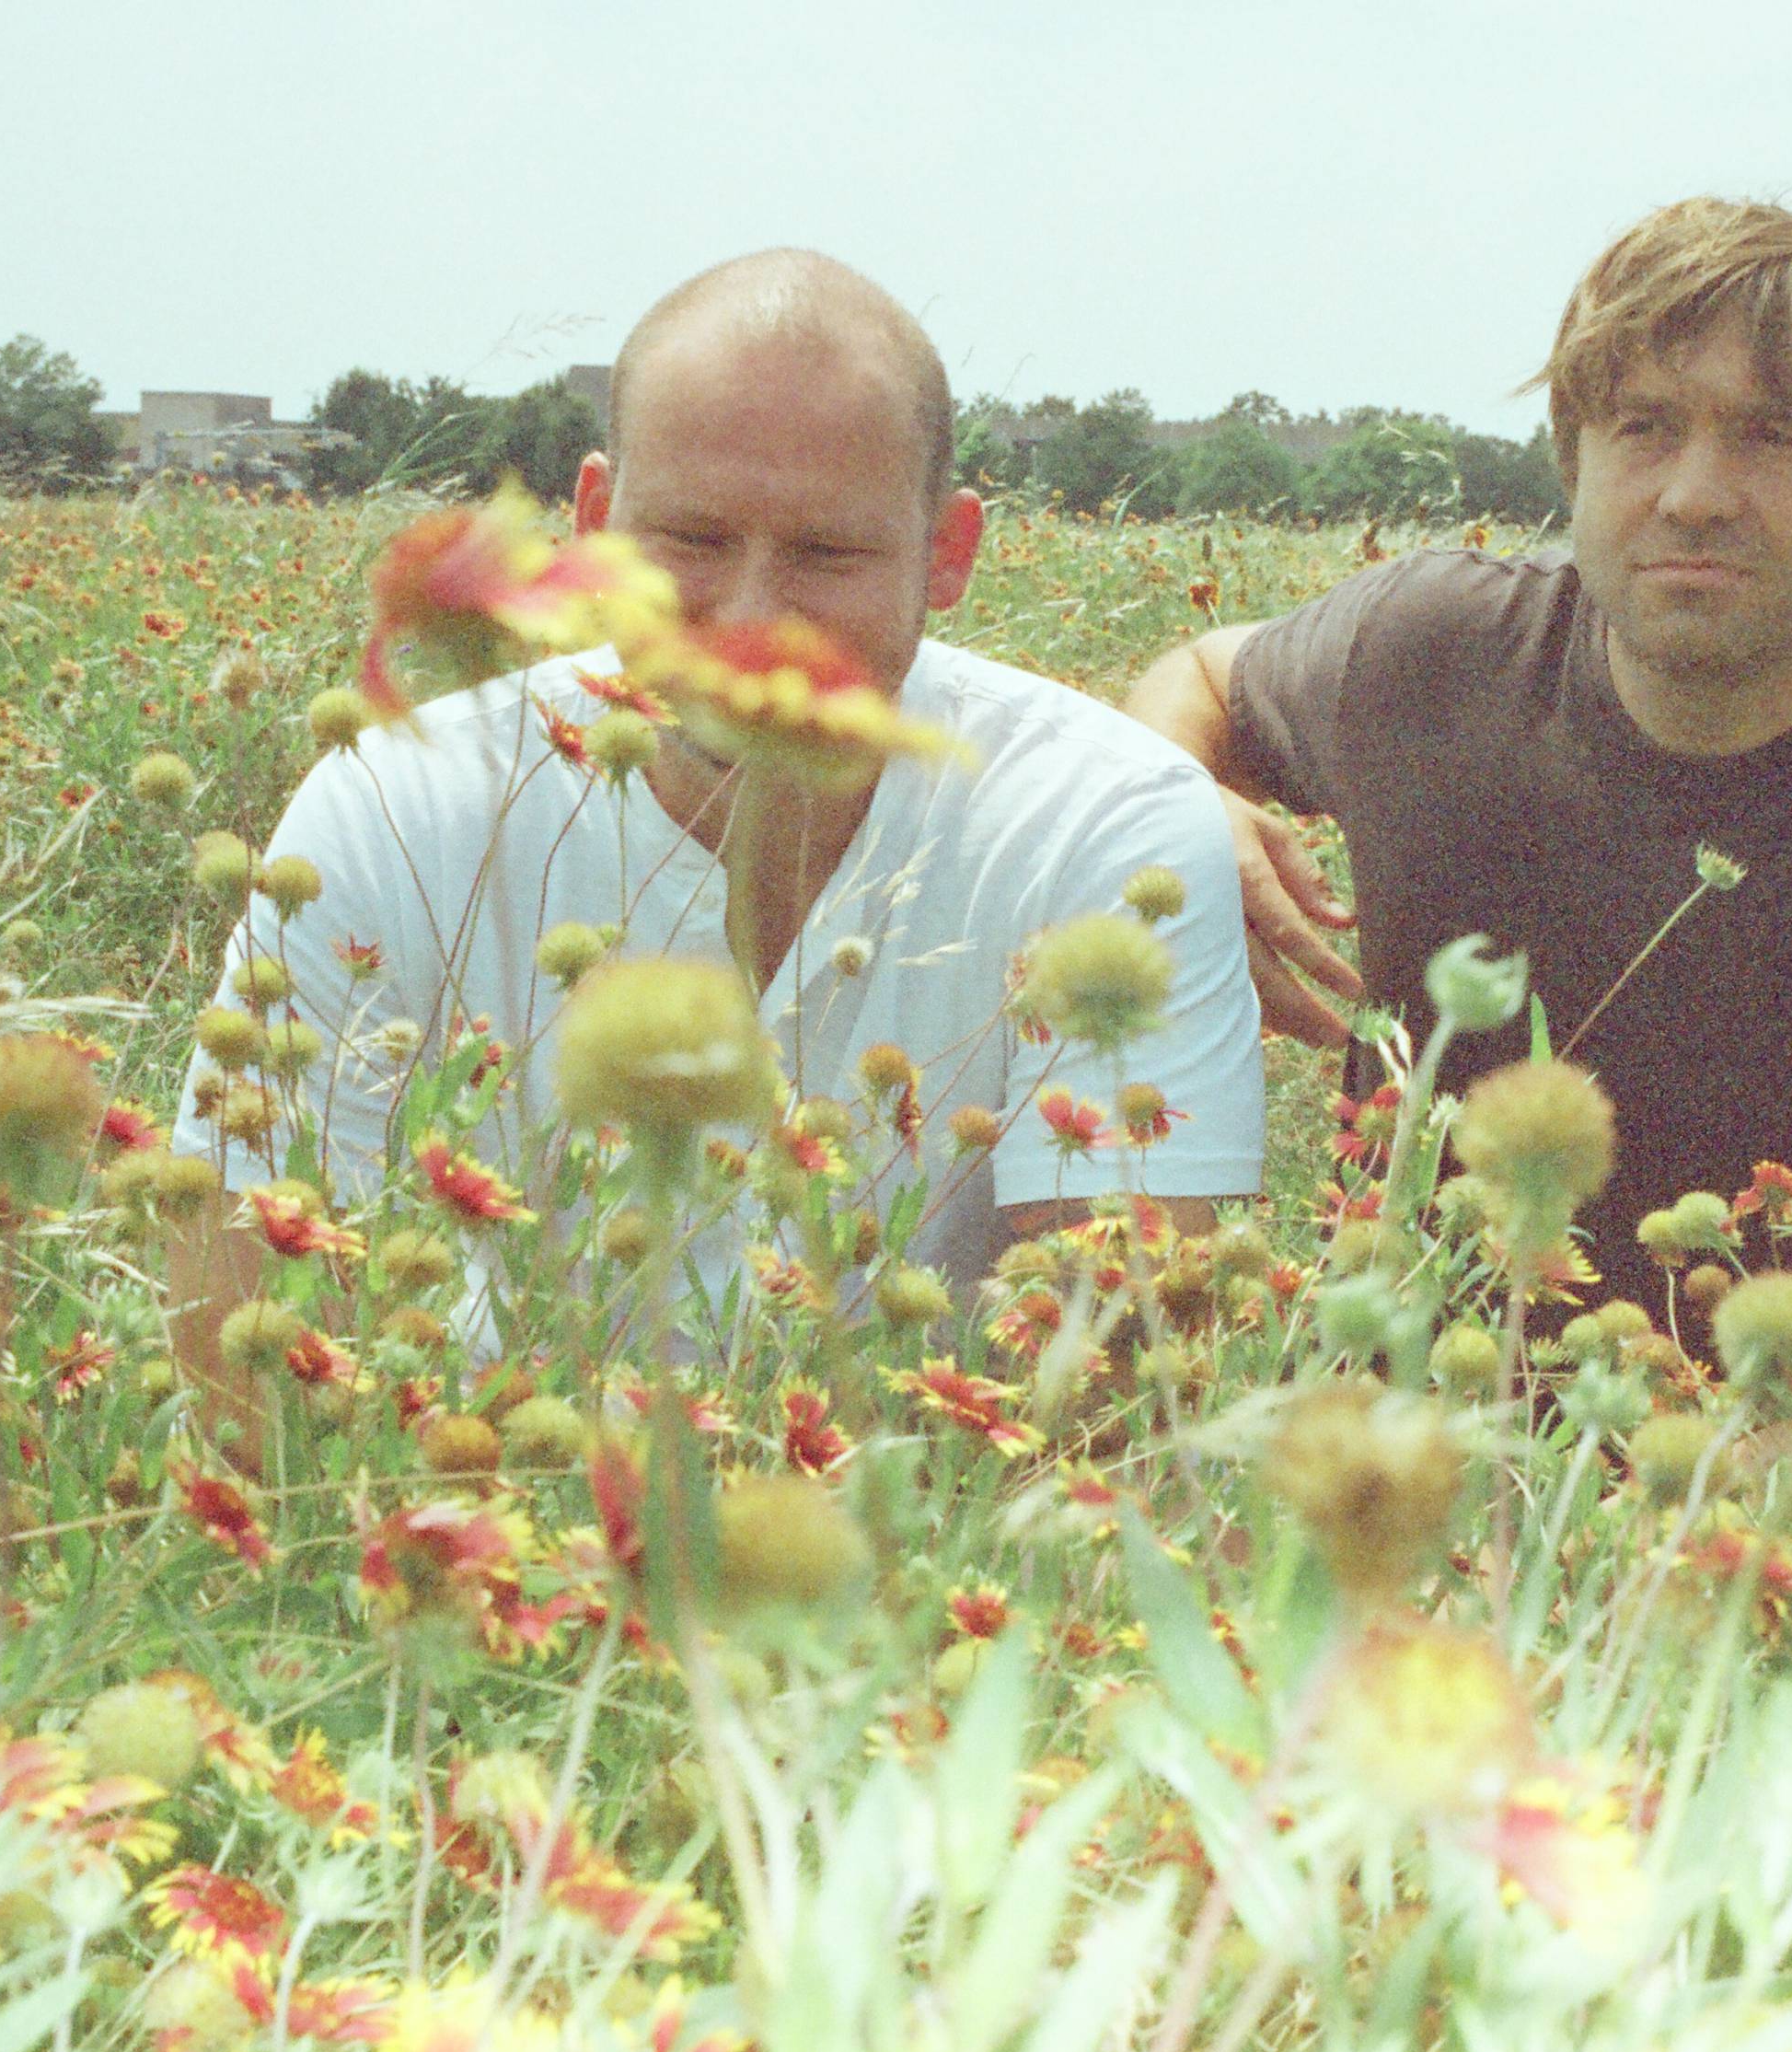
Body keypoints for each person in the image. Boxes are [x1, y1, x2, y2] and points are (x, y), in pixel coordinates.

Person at [168, 250, 1263, 1402]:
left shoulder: (1101, 820)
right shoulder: (397, 805)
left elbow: (1113, 1384)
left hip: (925, 1533)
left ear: (948, 554)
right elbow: (244, 1351)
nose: (748, 619)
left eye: (826, 554)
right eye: (688, 540)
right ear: (593, 523)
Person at [1125, 196, 1792, 1335]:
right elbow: (1201, 679)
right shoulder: (1428, 653)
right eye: (1643, 427)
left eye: (1770, 436)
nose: (1692, 495)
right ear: (1574, 462)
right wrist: (1180, 806)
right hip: (1392, 1452)